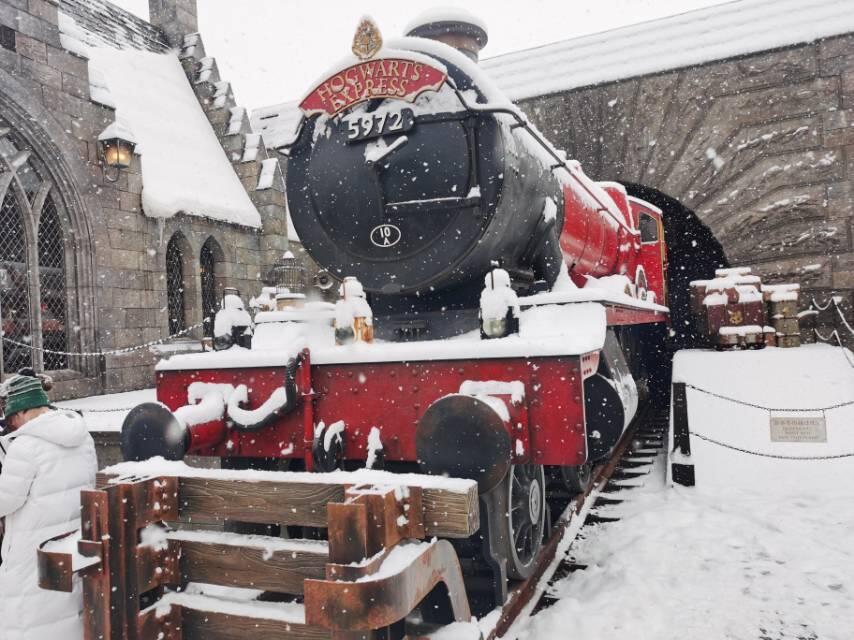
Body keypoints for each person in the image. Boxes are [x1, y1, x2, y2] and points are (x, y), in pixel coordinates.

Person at [0, 371, 97, 640]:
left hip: (32, 549)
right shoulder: (82, 437)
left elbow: (4, 500)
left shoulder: (26, 446)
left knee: (29, 618)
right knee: (64, 614)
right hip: (69, 546)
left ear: (21, 411)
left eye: (11, 418)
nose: (11, 425)